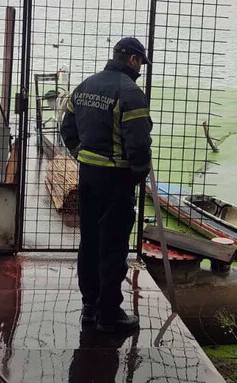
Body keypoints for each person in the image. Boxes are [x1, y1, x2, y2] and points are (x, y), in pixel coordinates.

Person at [59, 37, 153, 334]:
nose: (140, 70)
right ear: (134, 60)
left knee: (89, 241)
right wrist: (136, 175)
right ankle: (109, 314)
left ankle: (90, 306)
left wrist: (82, 156)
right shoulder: (131, 93)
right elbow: (138, 144)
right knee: (113, 246)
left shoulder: (85, 86)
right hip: (116, 180)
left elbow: (67, 130)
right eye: (141, 64)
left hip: (89, 177)